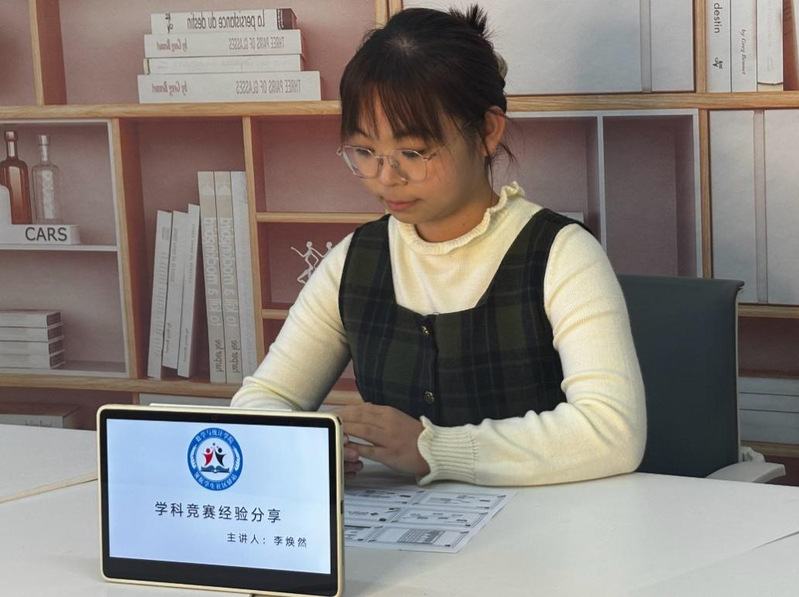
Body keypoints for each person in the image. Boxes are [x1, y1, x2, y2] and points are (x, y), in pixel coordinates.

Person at [231, 4, 646, 487]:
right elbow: (263, 399)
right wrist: (301, 446)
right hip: (405, 530)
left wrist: (436, 449)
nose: (386, 177)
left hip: (552, 525)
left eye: (413, 152)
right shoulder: (355, 260)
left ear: (487, 131)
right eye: (365, 152)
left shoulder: (560, 254)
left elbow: (612, 431)